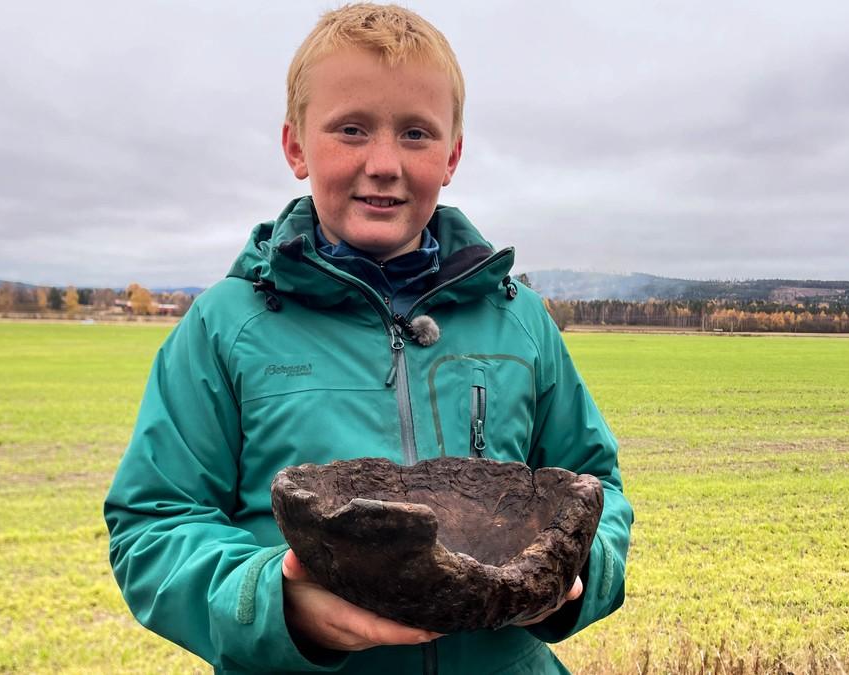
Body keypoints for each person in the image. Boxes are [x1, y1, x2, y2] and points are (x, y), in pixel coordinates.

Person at [104, 4, 633, 673]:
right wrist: (277, 603)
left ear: (453, 155)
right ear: (296, 145)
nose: (384, 162)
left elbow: (597, 487)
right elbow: (152, 522)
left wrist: (576, 578)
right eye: (351, 129)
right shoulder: (225, 327)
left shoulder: (519, 318)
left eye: (416, 134)